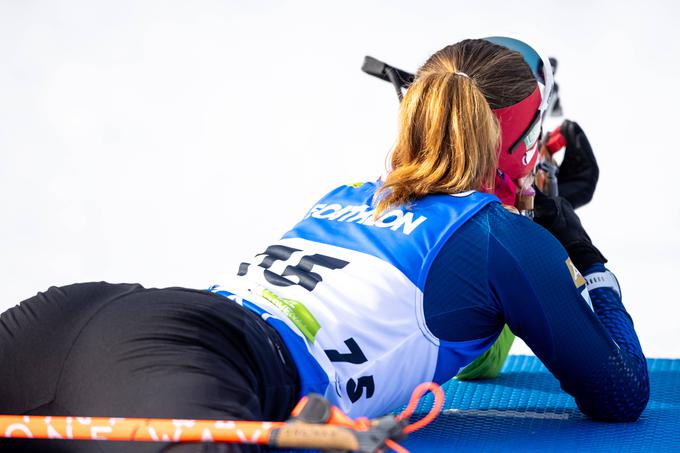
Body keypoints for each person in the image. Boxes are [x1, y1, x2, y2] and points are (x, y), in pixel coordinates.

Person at [0, 37, 649, 452]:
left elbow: (474, 354)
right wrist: (578, 247)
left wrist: (535, 231)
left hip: (89, 317)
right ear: (516, 140)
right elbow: (620, 391)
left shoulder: (354, 193)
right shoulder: (497, 237)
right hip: (212, 368)